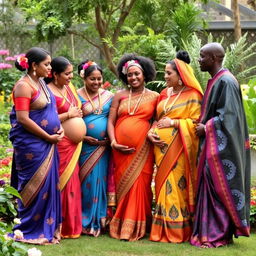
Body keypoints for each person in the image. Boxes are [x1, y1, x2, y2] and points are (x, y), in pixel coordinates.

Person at [190, 43, 251, 248]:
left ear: (215, 58)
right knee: (211, 187)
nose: (199, 60)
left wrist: (206, 128)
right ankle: (209, 232)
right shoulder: (218, 80)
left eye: (202, 56)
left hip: (221, 150)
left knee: (217, 186)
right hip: (211, 146)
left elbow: (229, 117)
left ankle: (217, 234)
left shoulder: (226, 81)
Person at [9, 47, 63, 244]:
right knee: (33, 186)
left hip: (48, 142)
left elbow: (52, 113)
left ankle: (45, 227)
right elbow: (23, 119)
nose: (50, 67)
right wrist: (48, 137)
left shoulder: (40, 83)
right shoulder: (24, 86)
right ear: (33, 65)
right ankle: (28, 228)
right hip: (31, 145)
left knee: (48, 186)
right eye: (46, 64)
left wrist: (59, 131)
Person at [148, 51, 203, 243]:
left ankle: (177, 231)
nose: (165, 76)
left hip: (180, 148)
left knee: (175, 185)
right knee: (162, 184)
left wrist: (174, 123)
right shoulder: (165, 94)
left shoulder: (193, 95)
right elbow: (157, 120)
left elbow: (196, 124)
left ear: (180, 76)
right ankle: (160, 230)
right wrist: (151, 131)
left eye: (168, 73)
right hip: (160, 148)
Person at [108, 53, 159, 241]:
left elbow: (158, 120)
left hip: (143, 150)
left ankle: (137, 227)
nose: (134, 78)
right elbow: (111, 122)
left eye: (137, 74)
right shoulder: (119, 96)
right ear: (125, 77)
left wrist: (152, 130)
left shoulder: (155, 96)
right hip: (119, 150)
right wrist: (113, 142)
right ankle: (121, 224)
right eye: (130, 75)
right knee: (124, 186)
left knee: (141, 186)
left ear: (144, 74)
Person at [47, 56, 86, 238]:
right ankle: (58, 225)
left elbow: (77, 108)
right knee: (61, 182)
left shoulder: (69, 88)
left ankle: (71, 225)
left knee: (73, 183)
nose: (71, 77)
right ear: (55, 74)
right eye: (67, 74)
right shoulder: (48, 92)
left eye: (71, 73)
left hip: (74, 145)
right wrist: (69, 115)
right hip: (60, 143)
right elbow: (45, 120)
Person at [77, 60, 113, 236]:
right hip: (84, 148)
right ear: (84, 78)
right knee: (86, 184)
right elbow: (71, 121)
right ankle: (84, 220)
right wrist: (82, 137)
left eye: (99, 79)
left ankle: (99, 220)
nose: (97, 82)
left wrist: (111, 138)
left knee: (101, 182)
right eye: (92, 79)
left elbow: (114, 120)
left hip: (104, 149)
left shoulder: (109, 96)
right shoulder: (76, 96)